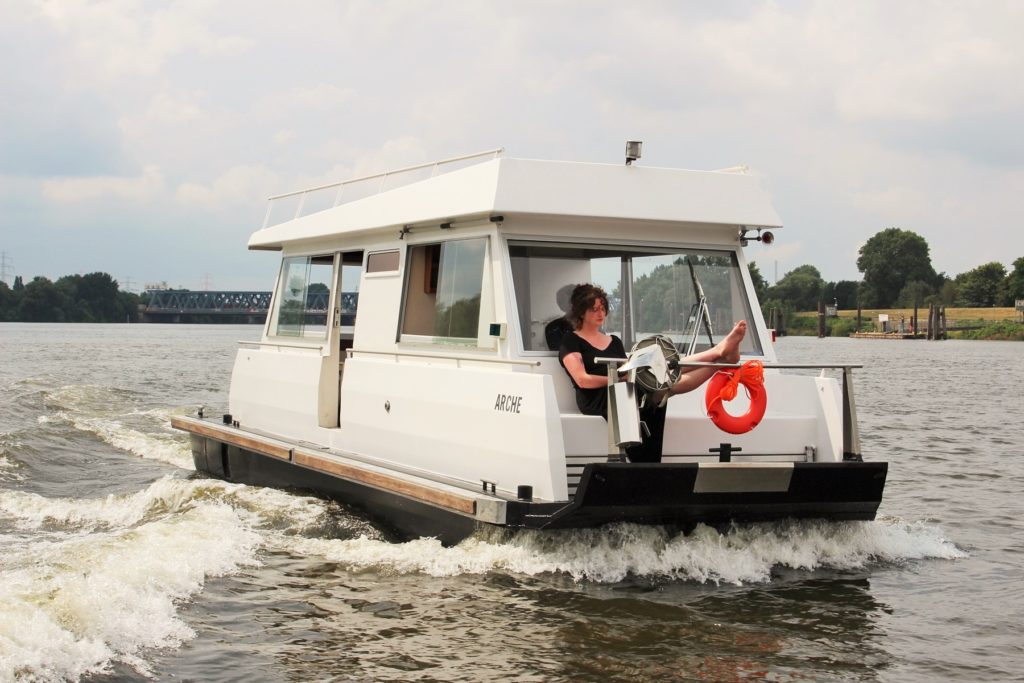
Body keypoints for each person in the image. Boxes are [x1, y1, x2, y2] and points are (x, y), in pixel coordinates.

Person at [557, 283, 746, 462]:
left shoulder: (614, 341)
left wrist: (626, 377)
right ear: (581, 312)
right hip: (597, 398)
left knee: (660, 376)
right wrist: (617, 378)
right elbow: (583, 380)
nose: (601, 313)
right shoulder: (571, 340)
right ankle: (719, 355)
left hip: (624, 389)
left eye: (603, 308)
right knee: (660, 381)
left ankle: (721, 359)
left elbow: (628, 371)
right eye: (594, 309)